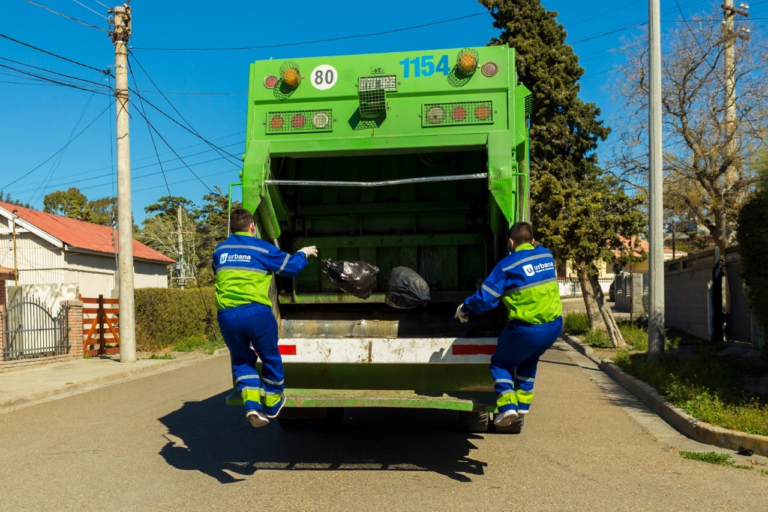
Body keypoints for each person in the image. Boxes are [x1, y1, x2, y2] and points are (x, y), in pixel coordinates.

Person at [213, 208, 317, 428]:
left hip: (227, 315)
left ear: (232, 228)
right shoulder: (260, 247)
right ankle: (272, 403)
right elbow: (292, 268)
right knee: (269, 356)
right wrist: (302, 253)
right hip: (256, 313)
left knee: (241, 361)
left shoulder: (219, 250)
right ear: (252, 227)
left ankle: (252, 406)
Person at [455, 221, 562, 431]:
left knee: (500, 363)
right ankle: (523, 404)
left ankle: (507, 406)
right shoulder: (545, 255)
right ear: (532, 241)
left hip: (527, 330)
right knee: (529, 357)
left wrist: (465, 309)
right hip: (554, 327)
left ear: (510, 242)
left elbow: (485, 299)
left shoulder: (507, 266)